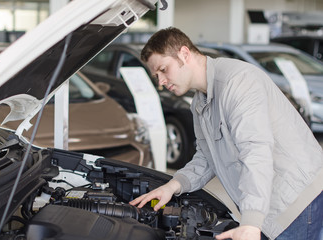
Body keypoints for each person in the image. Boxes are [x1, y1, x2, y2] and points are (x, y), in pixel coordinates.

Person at [129, 27, 323, 240]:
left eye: (163, 70)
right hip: (269, 208)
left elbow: (255, 152)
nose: (161, 82)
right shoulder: (199, 103)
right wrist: (172, 186)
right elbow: (206, 157)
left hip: (297, 204)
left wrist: (251, 221)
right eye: (156, 75)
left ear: (184, 54)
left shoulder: (238, 82)